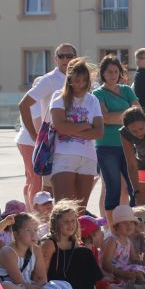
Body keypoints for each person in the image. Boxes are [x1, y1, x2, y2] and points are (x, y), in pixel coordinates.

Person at [16, 44, 77, 208]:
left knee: (73, 191)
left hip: (77, 142)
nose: (66, 59)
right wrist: (35, 137)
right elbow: (24, 105)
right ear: (55, 59)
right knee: (48, 192)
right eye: (62, 56)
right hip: (53, 142)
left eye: (69, 56)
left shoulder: (81, 79)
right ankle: (47, 227)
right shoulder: (49, 80)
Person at [46, 58, 103, 206]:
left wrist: (71, 129)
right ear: (69, 79)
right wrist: (84, 125)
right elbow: (60, 126)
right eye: (77, 80)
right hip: (64, 155)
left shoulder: (93, 100)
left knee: (80, 210)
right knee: (63, 207)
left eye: (84, 80)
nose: (80, 84)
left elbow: (98, 132)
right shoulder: (59, 97)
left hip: (88, 157)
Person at [0, 212, 69, 289]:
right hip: (13, 287)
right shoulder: (8, 252)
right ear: (16, 234)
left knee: (64, 285)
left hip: (27, 287)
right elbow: (20, 283)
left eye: (36, 230)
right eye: (28, 230)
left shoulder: (36, 249)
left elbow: (42, 279)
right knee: (6, 287)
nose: (34, 234)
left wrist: (40, 288)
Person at [94, 56, 139, 221]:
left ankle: (135, 223)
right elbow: (104, 118)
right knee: (113, 187)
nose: (112, 75)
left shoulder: (127, 90)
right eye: (109, 72)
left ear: (120, 73)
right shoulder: (97, 93)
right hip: (106, 146)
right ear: (103, 73)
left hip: (128, 143)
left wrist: (117, 116)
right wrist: (128, 113)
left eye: (115, 71)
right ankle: (112, 227)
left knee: (134, 186)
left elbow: (138, 113)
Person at [39, 201, 106, 289]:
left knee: (84, 251)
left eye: (73, 221)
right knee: (84, 251)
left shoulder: (74, 242)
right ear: (56, 223)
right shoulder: (49, 243)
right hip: (57, 286)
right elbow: (42, 273)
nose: (70, 225)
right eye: (66, 222)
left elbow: (83, 269)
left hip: (75, 288)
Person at [100, 204, 145, 289]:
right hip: (115, 271)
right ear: (116, 226)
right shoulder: (113, 241)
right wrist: (122, 273)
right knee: (136, 270)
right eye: (125, 223)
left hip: (126, 268)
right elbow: (105, 264)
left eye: (131, 222)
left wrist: (141, 262)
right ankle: (144, 285)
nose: (129, 225)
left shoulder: (128, 241)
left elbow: (133, 259)